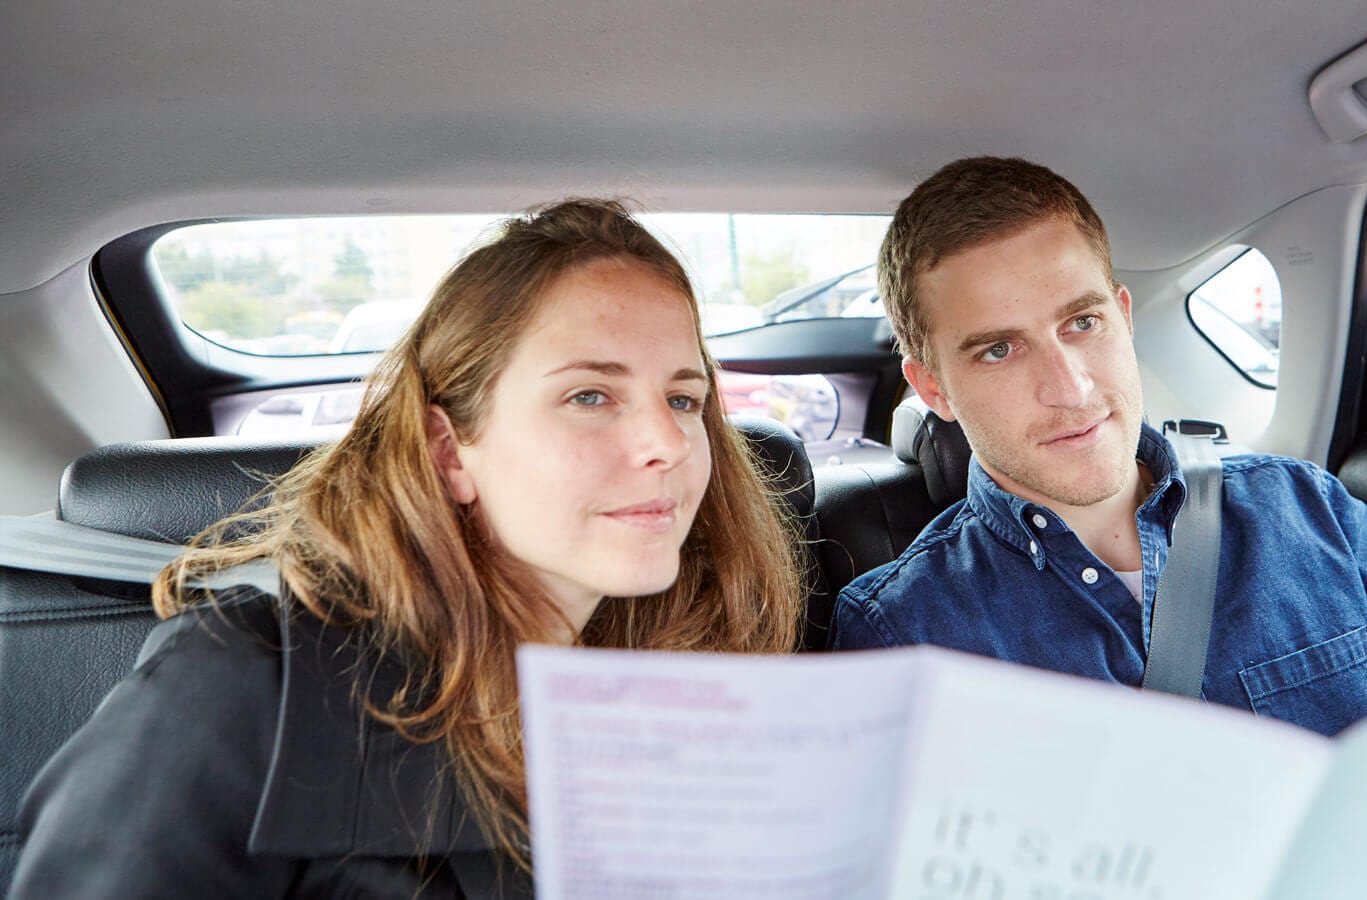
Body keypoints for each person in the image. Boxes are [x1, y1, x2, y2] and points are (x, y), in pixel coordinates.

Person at [12, 199, 805, 897]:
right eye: (589, 395)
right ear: (450, 450)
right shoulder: (239, 686)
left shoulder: (687, 695)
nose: (667, 441)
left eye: (684, 397)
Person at [830, 156, 1367, 736]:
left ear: (1124, 318)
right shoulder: (901, 634)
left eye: (1082, 322)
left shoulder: (1311, 510)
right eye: (1000, 349)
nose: (1070, 388)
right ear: (933, 388)